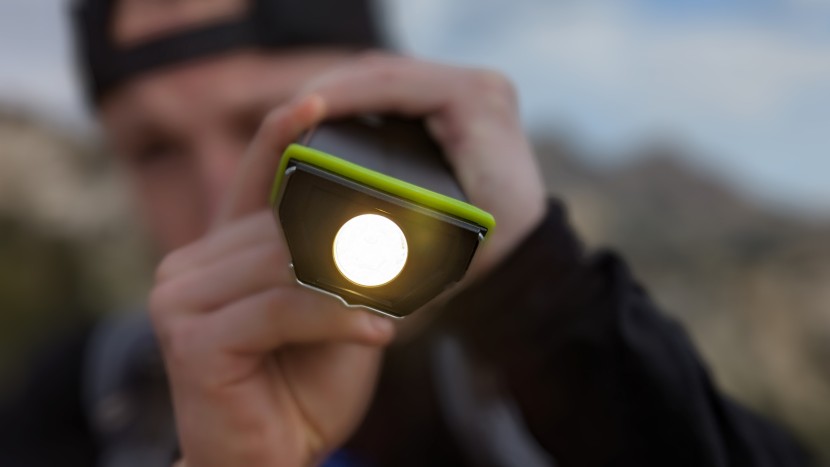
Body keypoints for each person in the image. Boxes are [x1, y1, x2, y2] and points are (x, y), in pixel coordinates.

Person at [0, 0, 811, 466]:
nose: (224, 199)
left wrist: (543, 294)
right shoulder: (85, 403)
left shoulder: (551, 382)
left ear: (388, 113)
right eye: (155, 150)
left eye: (270, 124)